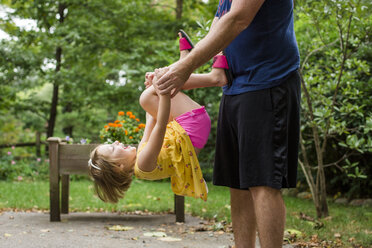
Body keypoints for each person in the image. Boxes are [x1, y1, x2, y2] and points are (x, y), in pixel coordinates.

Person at [154, 1, 301, 247]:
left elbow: (238, 20)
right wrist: (173, 72)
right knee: (239, 184)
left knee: (263, 181)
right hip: (235, 87)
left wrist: (184, 69)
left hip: (268, 81)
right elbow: (218, 30)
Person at [87, 33, 229, 204]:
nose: (116, 143)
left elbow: (151, 120)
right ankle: (214, 77)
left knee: (153, 91)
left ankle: (186, 60)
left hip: (190, 131)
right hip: (193, 127)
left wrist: (153, 86)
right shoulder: (144, 164)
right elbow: (160, 125)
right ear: (119, 168)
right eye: (111, 148)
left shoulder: (140, 159)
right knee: (149, 95)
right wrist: (161, 94)